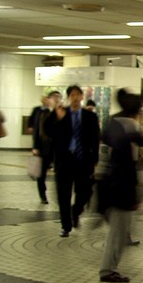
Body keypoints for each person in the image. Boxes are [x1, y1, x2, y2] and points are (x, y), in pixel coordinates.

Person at [98, 90, 143, 283]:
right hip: (122, 187)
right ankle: (108, 270)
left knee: (117, 231)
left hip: (109, 184)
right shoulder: (130, 128)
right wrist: (134, 196)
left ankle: (109, 267)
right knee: (118, 233)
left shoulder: (112, 122)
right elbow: (131, 163)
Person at [44, 85, 101, 237]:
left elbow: (96, 138)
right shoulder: (60, 113)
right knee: (63, 195)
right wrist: (58, 118)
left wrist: (95, 158)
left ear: (82, 97)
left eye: (78, 94)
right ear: (69, 98)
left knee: (85, 192)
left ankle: (75, 211)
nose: (75, 98)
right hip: (64, 161)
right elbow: (49, 132)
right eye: (72, 95)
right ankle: (66, 225)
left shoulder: (90, 116)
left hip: (83, 161)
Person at [30, 91, 61, 204]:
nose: (56, 100)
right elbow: (37, 131)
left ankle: (60, 195)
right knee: (41, 173)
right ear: (48, 100)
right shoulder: (41, 113)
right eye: (54, 98)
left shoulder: (62, 113)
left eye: (58, 97)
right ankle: (43, 194)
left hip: (58, 149)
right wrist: (35, 146)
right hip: (44, 148)